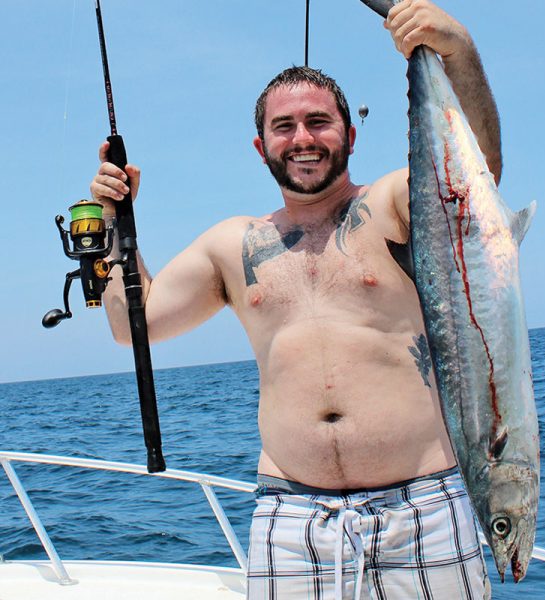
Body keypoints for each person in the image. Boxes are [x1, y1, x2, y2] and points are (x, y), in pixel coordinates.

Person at [91, 2, 500, 598]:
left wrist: (459, 51)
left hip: (424, 508)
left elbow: (480, 174)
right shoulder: (232, 245)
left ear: (350, 135)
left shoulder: (394, 206)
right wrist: (110, 222)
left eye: (318, 122)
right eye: (284, 127)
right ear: (260, 146)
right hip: (291, 519)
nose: (302, 138)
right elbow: (134, 326)